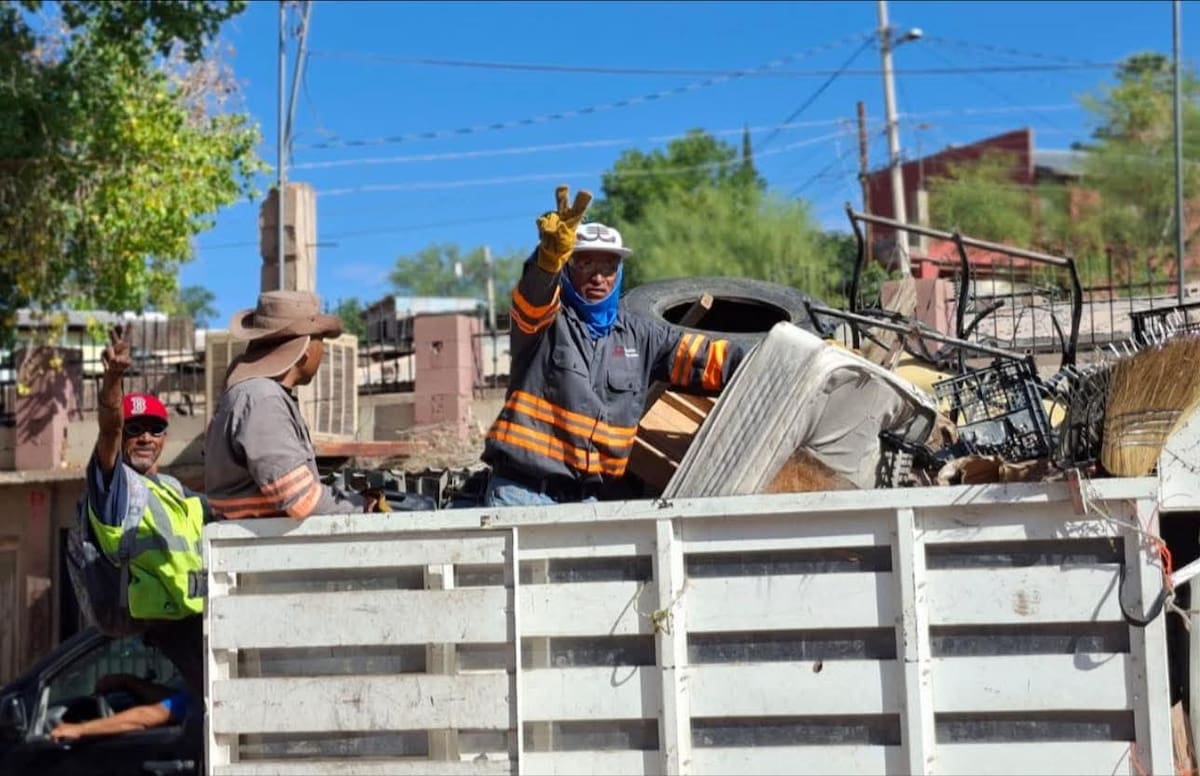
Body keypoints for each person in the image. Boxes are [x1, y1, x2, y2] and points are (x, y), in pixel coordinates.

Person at [482, 185, 747, 505]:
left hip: (589, 500)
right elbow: (532, 300)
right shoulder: (545, 323)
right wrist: (546, 262)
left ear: (619, 272)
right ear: (566, 268)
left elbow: (710, 360)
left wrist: (799, 354)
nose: (598, 277)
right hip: (523, 493)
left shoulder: (641, 336)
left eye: (608, 267)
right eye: (585, 264)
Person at [84, 325, 208, 696]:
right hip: (162, 626)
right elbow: (108, 430)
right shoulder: (114, 487)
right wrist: (114, 377)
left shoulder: (177, 492)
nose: (144, 437)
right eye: (134, 429)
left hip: (199, 620)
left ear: (165, 438)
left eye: (154, 429)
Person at [204, 290, 376, 519]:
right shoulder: (262, 399)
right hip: (264, 549)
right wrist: (363, 506)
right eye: (320, 341)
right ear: (306, 350)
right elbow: (301, 501)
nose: (322, 351)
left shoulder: (255, 395)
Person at [50, 673, 191, 742]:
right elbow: (171, 699)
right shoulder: (198, 690)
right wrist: (127, 682)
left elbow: (144, 718)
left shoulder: (201, 693)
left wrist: (79, 729)